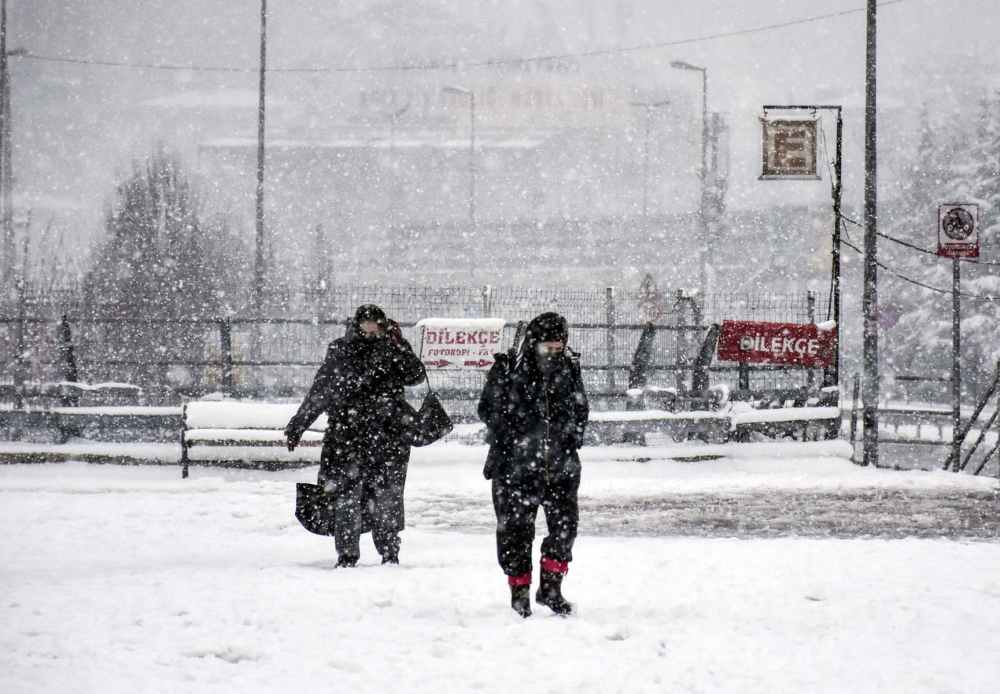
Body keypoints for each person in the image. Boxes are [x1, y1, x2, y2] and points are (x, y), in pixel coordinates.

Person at [285, 304, 426, 567]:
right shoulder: (340, 350)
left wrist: (400, 346)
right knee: (346, 496)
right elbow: (321, 390)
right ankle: (347, 555)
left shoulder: (393, 349)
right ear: (357, 325)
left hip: (386, 436)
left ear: (383, 325)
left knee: (386, 497)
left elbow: (416, 376)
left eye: (375, 325)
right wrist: (298, 425)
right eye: (366, 324)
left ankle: (389, 553)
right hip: (347, 436)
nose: (370, 331)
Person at [478, 312, 589, 617]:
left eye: (558, 348)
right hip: (515, 467)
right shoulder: (509, 366)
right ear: (533, 343)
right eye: (547, 348)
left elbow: (580, 407)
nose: (553, 354)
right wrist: (517, 435)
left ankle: (551, 588)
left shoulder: (569, 366)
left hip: (561, 466)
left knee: (565, 530)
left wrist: (571, 438)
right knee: (515, 532)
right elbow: (488, 408)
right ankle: (520, 592)